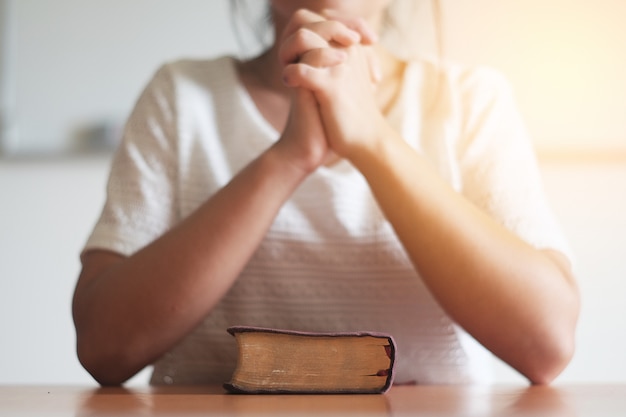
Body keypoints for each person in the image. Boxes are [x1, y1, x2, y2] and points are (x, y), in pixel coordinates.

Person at [72, 0, 580, 387]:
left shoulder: (466, 101)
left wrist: (371, 140)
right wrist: (288, 158)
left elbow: (547, 342)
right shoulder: (182, 95)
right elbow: (103, 344)